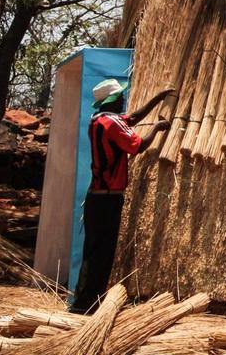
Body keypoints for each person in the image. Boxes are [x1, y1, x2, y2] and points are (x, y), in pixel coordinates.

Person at [68, 77, 176, 313]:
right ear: (113, 100)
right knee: (102, 253)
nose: (124, 100)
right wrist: (156, 129)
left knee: (92, 248)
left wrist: (156, 99)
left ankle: (83, 301)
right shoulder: (112, 124)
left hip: (97, 196)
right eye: (120, 98)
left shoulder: (99, 120)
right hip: (107, 198)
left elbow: (133, 118)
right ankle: (89, 305)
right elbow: (137, 146)